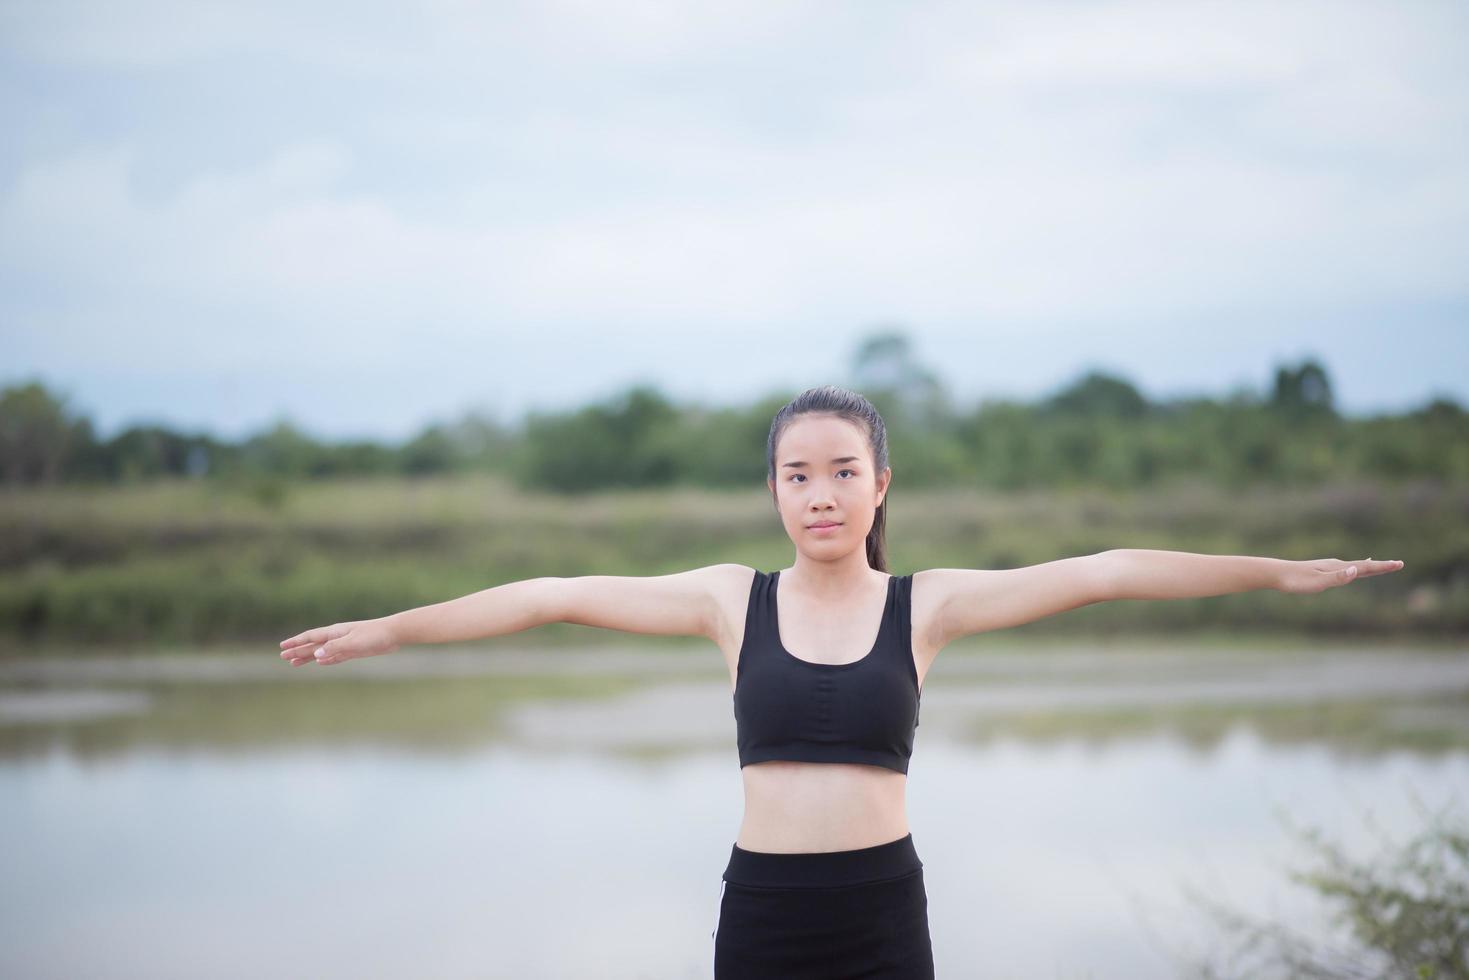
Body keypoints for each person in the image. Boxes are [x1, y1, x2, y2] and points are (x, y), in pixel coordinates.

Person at [278, 384, 1404, 979]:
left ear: (878, 485)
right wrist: (388, 627)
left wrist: (1276, 571)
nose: (819, 493)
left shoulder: (929, 603)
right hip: (762, 912)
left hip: (879, 910)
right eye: (796, 473)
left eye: (841, 472)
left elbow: (1104, 571)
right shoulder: (730, 599)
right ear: (772, 488)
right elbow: (548, 591)